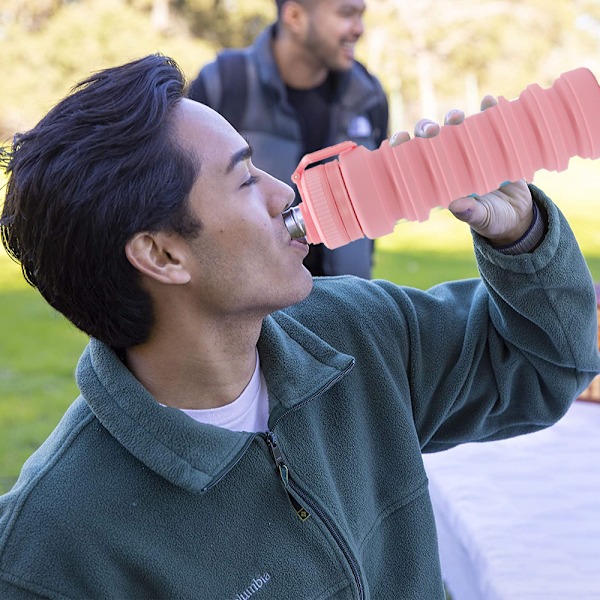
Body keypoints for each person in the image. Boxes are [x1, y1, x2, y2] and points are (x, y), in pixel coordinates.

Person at [0, 54, 598, 600]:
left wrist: (520, 239)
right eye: (243, 179)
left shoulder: (355, 331)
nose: (283, 191)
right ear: (162, 256)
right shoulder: (52, 549)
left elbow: (545, 365)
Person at [187, 0, 388, 279]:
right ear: (294, 16)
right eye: (346, 13)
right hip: (254, 310)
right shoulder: (223, 83)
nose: (359, 29)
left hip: (349, 303)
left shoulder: (368, 94)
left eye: (361, 15)